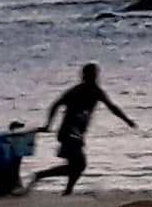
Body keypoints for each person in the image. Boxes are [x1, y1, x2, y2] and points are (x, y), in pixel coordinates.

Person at [27, 62, 135, 195]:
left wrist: (127, 120)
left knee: (76, 165)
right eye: (92, 75)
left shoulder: (97, 92)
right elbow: (55, 105)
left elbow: (112, 107)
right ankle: (42, 176)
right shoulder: (76, 91)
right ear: (86, 76)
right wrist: (48, 125)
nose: (94, 78)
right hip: (68, 132)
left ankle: (65, 189)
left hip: (77, 133)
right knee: (79, 164)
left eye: (95, 75)